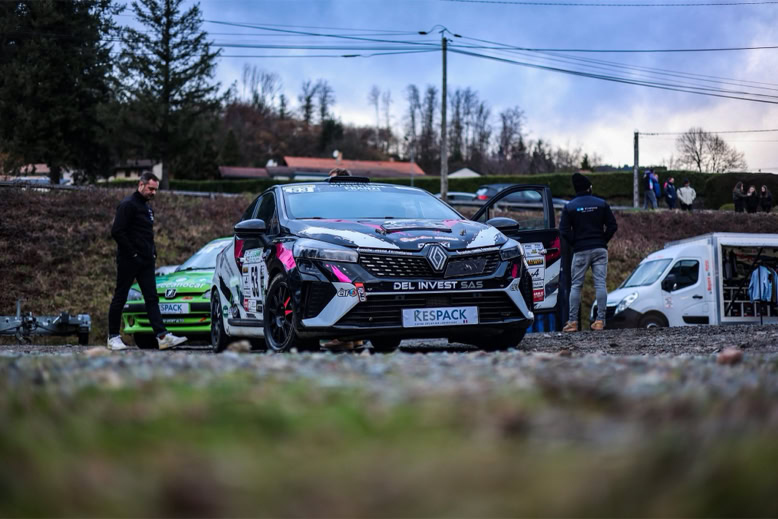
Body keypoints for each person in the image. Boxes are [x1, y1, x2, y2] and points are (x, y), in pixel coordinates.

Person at [106, 172, 187, 351]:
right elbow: (117, 231)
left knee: (152, 298)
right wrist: (133, 254)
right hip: (129, 260)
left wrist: (152, 253)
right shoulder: (127, 205)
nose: (153, 193)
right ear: (140, 185)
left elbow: (146, 235)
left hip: (146, 261)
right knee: (120, 296)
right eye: (150, 188)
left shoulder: (148, 208)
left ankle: (162, 337)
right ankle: (113, 337)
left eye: (155, 190)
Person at [560, 173, 618, 332]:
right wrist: (602, 240)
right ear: (588, 188)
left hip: (580, 250)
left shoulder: (569, 207)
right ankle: (600, 321)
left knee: (576, 286)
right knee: (600, 284)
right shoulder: (601, 204)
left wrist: (575, 242)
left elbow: (564, 230)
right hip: (600, 249)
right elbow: (612, 226)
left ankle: (573, 322)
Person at [320, 167, 366, 351]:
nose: (328, 185)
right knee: (355, 290)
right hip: (355, 248)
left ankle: (345, 338)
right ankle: (355, 338)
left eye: (332, 181)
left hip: (344, 248)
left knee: (344, 288)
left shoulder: (340, 201)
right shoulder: (359, 199)